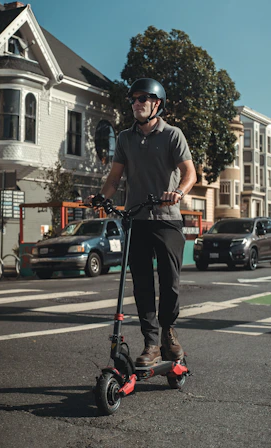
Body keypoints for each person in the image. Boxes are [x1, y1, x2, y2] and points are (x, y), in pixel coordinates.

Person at [88, 78, 197, 367]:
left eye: (142, 99)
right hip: (136, 219)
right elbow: (114, 179)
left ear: (156, 104)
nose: (136, 103)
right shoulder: (124, 138)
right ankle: (151, 343)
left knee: (170, 283)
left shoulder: (173, 135)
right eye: (134, 99)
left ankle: (168, 333)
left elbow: (190, 175)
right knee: (142, 284)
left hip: (167, 220)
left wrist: (178, 193)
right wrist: (100, 197)